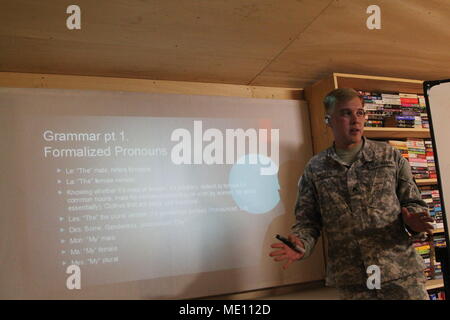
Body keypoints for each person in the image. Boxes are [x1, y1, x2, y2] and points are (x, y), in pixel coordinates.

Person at [269, 88, 435, 300]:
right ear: (328, 120)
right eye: (346, 113)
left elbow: (413, 202)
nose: (355, 120)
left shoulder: (389, 156)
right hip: (353, 281)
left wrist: (415, 222)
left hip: (399, 274)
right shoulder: (316, 168)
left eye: (360, 113)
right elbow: (307, 221)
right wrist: (301, 244)